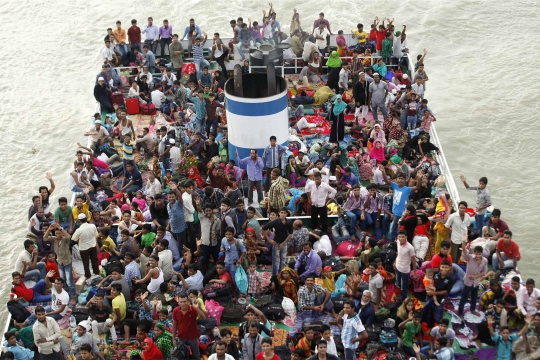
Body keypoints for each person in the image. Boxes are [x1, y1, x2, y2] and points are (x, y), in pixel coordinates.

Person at [458, 241, 488, 319]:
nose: (477, 256)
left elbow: (484, 272)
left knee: (474, 297)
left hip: (476, 282)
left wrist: (475, 276)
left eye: (479, 254)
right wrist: (463, 242)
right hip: (468, 282)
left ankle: (473, 309)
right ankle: (460, 313)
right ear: (474, 253)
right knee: (464, 298)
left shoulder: (485, 261)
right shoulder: (470, 258)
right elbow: (464, 251)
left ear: (482, 253)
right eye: (476, 254)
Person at [421, 259, 454, 328]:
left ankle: (436, 327)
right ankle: (428, 326)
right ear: (439, 267)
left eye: (446, 267)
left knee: (437, 315)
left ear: (449, 268)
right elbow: (427, 278)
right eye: (442, 267)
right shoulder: (435, 273)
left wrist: (434, 292)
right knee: (428, 311)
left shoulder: (451, 279)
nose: (444, 269)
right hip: (429, 296)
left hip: (440, 299)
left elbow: (446, 291)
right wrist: (427, 288)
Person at [172, 294, 206, 360]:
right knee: (183, 354)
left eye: (184, 302)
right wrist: (173, 338)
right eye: (181, 302)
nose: (183, 304)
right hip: (181, 337)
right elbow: (174, 324)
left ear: (188, 302)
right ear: (178, 302)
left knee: (196, 354)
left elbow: (203, 317)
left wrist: (197, 308)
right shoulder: (175, 310)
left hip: (193, 337)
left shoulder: (193, 309)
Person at [262, 207, 293, 276]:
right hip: (276, 243)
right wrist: (269, 240)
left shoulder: (289, 222)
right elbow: (263, 229)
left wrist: (283, 243)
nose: (283, 214)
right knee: (276, 261)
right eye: (281, 213)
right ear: (279, 213)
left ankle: (281, 275)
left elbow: (290, 234)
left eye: (284, 213)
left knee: (283, 260)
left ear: (287, 214)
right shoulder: (275, 222)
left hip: (284, 243)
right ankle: (274, 277)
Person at [72, 213, 99, 279]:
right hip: (92, 245)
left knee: (85, 262)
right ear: (86, 219)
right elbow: (96, 235)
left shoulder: (79, 230)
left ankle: (88, 275)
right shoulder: (92, 226)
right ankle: (96, 272)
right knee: (94, 259)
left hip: (83, 248)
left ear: (79, 220)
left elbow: (73, 238)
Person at [394, 230, 417, 301]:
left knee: (404, 286)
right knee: (398, 283)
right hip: (397, 267)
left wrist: (415, 273)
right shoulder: (398, 241)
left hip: (405, 270)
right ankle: (398, 295)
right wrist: (395, 262)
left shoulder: (410, 247)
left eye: (403, 237)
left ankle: (403, 299)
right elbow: (398, 252)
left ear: (406, 237)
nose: (401, 239)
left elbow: (413, 261)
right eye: (399, 237)